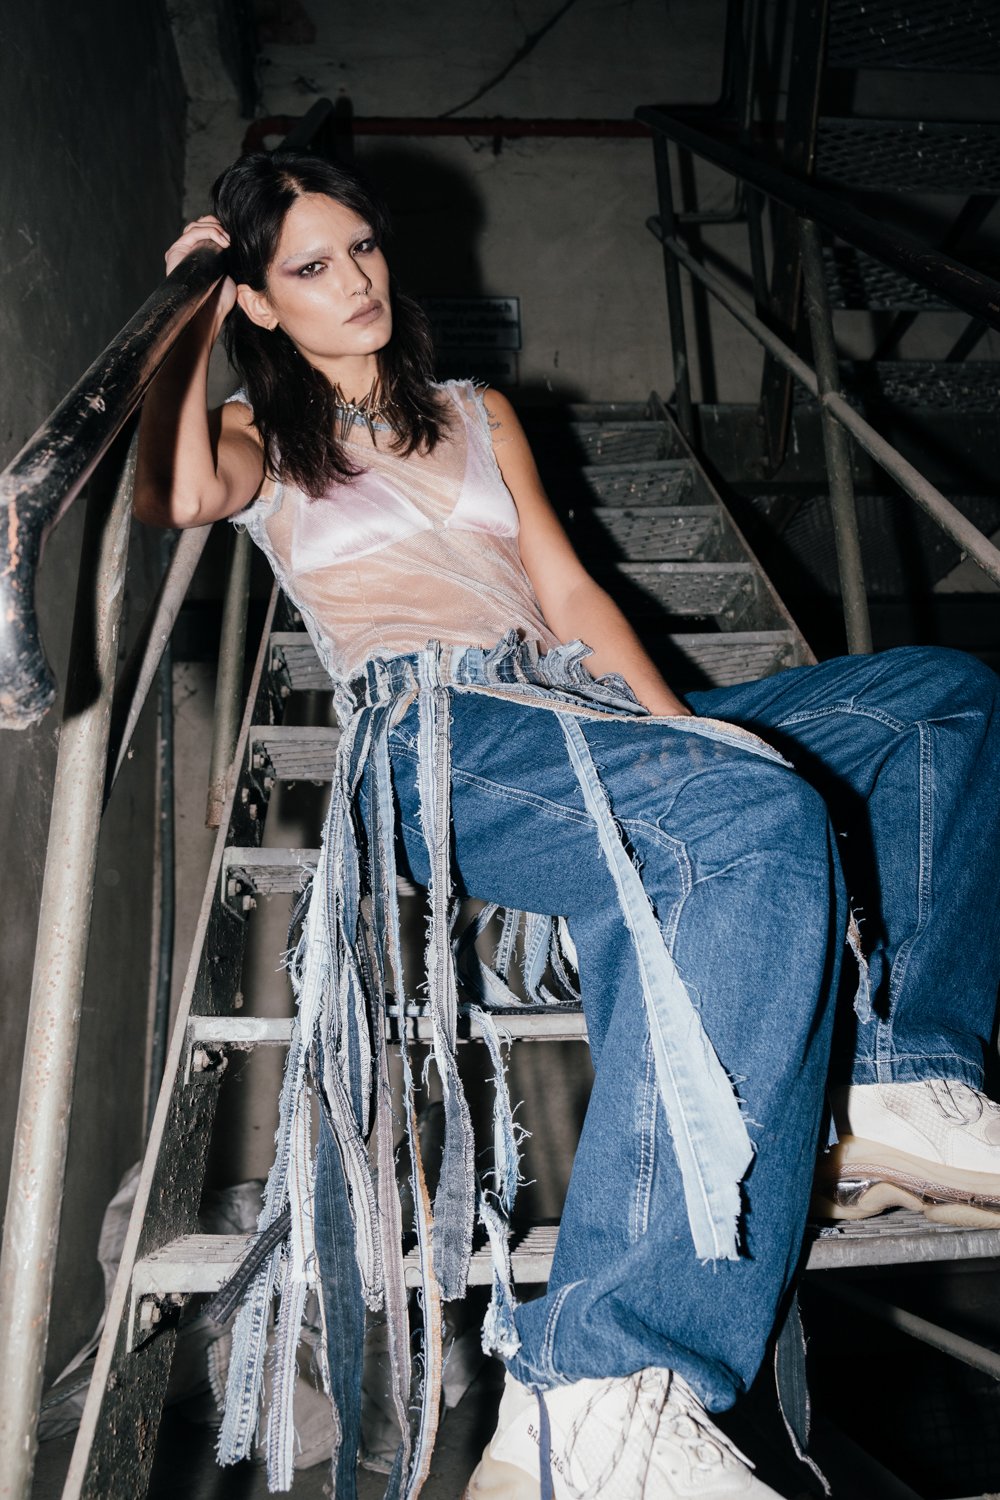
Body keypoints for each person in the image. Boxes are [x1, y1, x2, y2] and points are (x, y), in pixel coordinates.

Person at [134, 150, 1000, 1500]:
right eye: (309, 268)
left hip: (585, 721)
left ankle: (896, 1075)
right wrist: (188, 305)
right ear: (258, 300)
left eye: (361, 249)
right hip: (433, 740)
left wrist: (689, 735)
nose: (355, 280)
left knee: (940, 702)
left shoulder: (476, 412)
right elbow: (177, 491)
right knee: (752, 822)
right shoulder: (262, 440)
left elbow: (574, 594)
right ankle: (598, 1387)